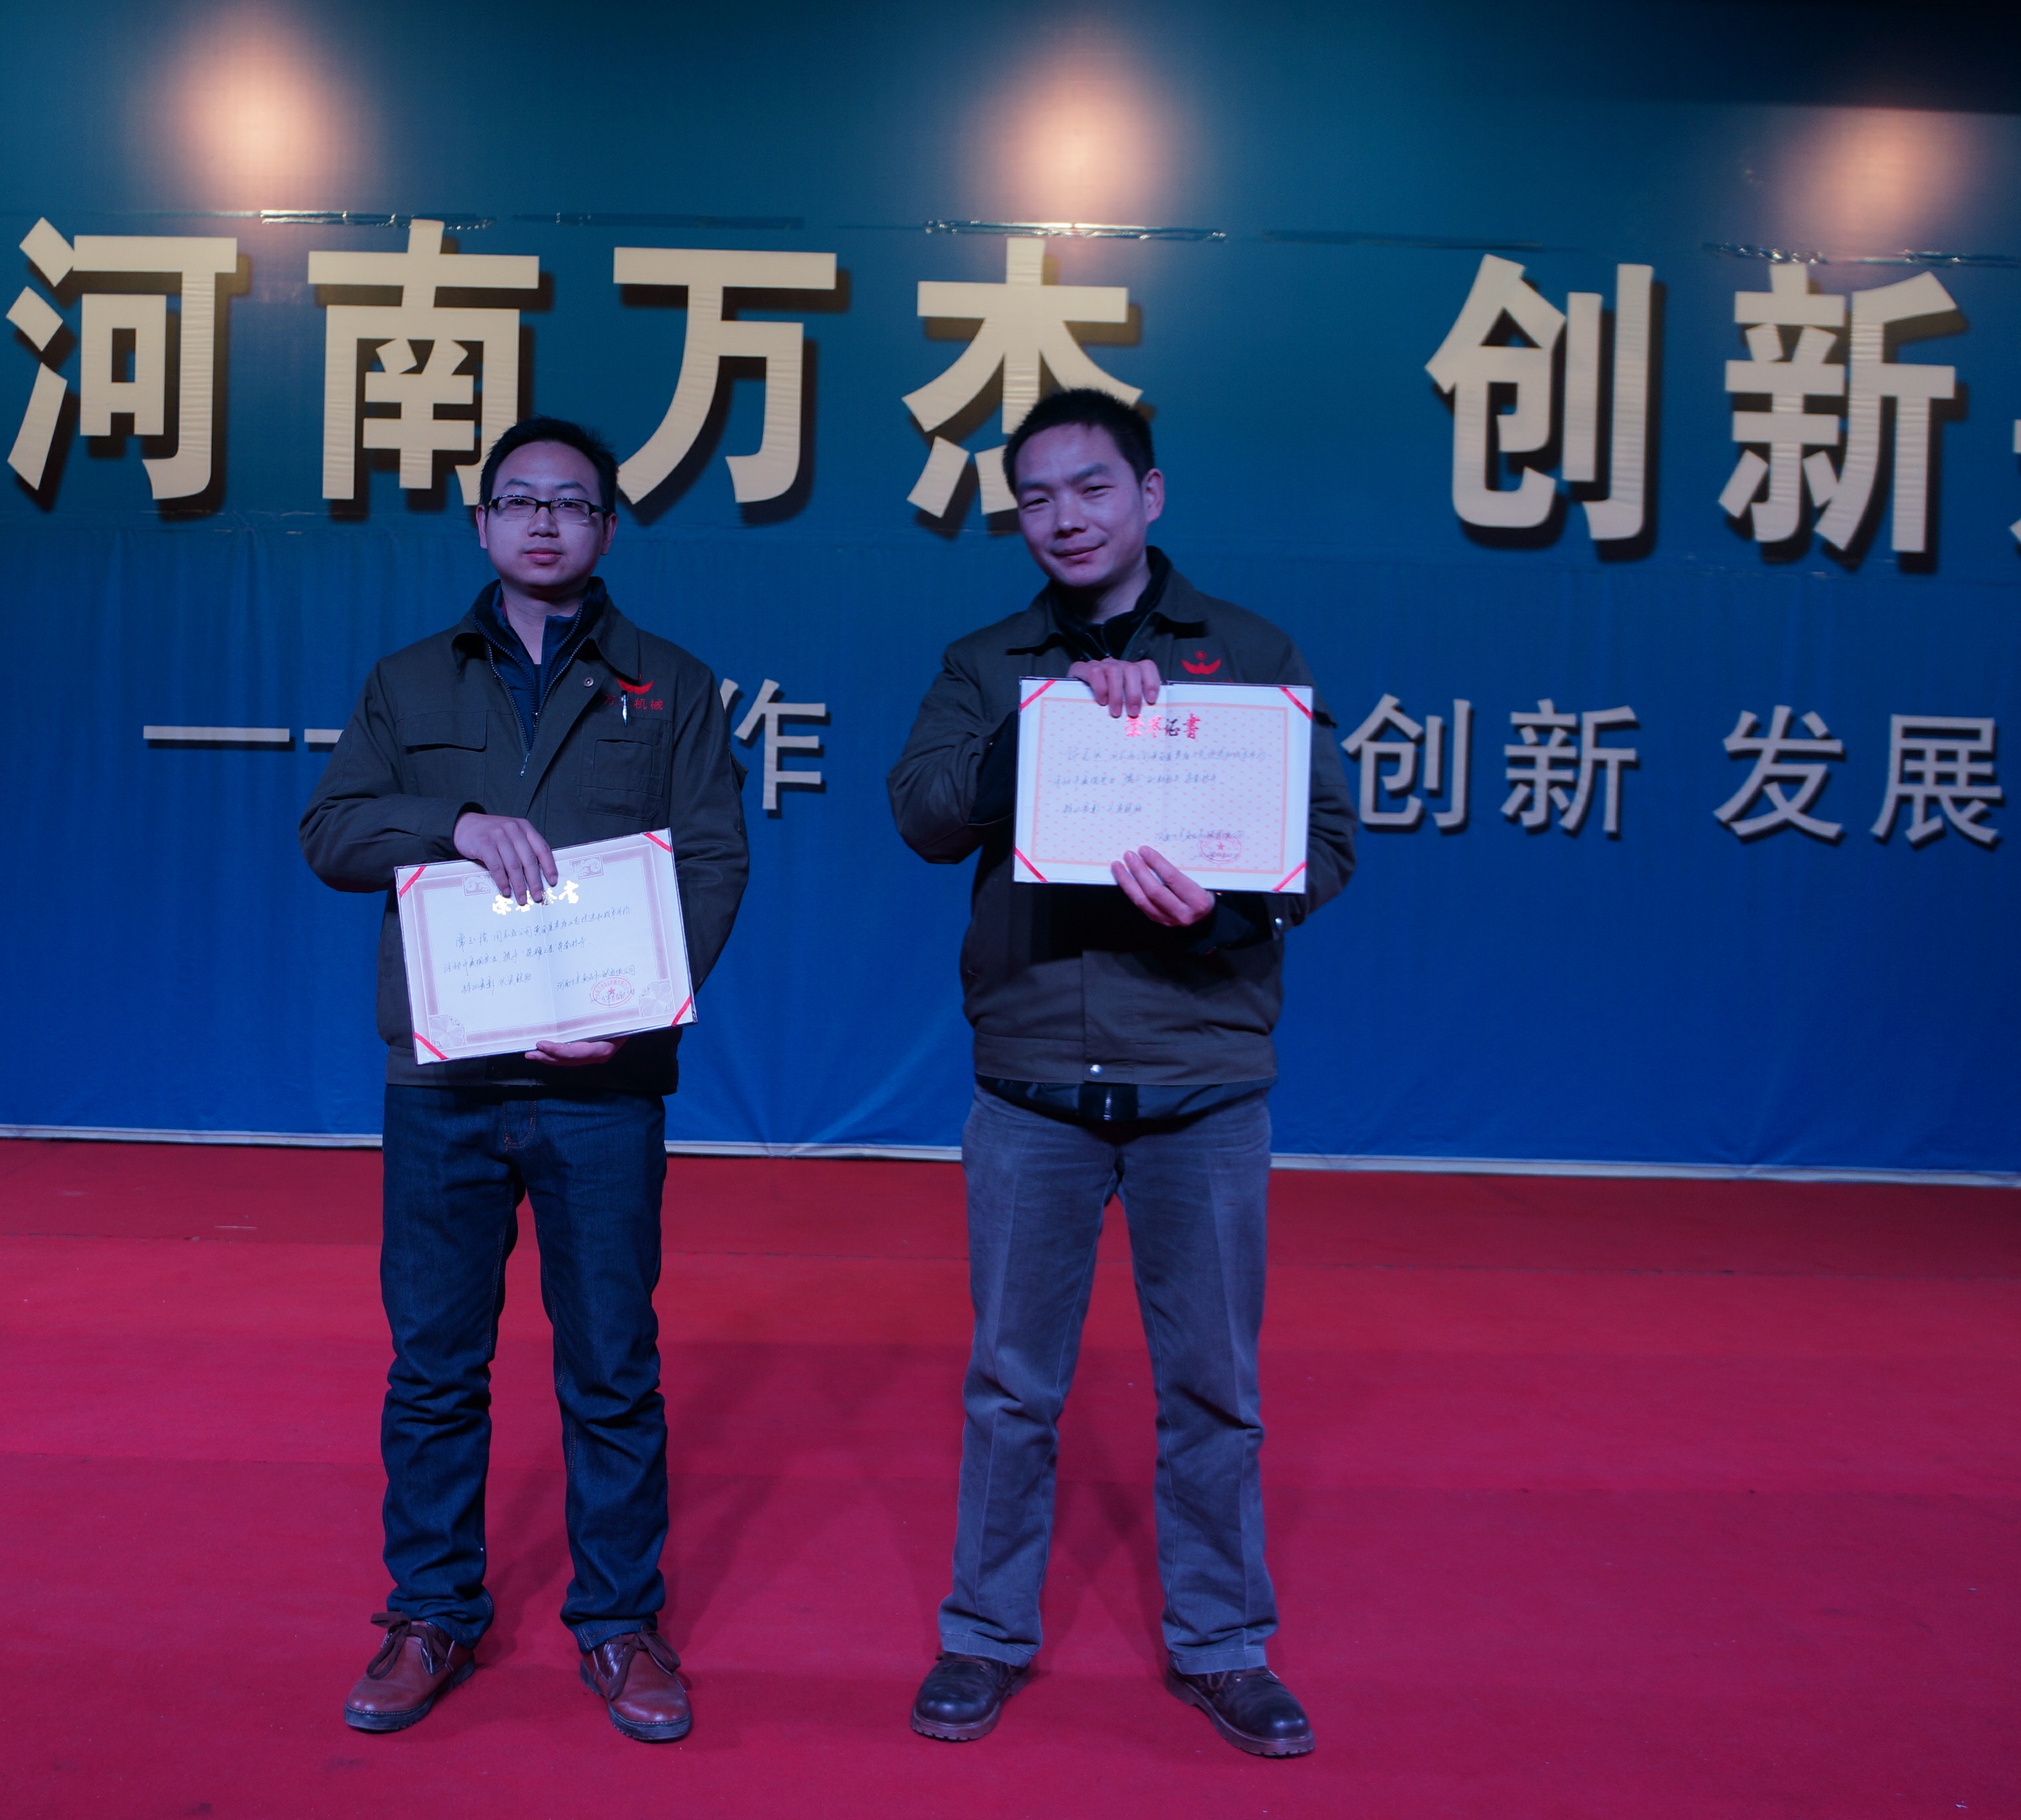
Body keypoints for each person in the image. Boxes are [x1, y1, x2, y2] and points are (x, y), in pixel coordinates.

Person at [887, 388, 1356, 1758]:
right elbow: (922, 813)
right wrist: (1042, 729)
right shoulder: (989, 663)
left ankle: (1223, 1643)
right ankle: (985, 1633)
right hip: (1032, 1081)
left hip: (1199, 1082)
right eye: (1035, 496)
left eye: (1091, 486)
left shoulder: (1247, 654)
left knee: (1213, 1388)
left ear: (1149, 496)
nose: (1064, 517)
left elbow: (1325, 844)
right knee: (1010, 1386)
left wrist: (1222, 912)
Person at [300, 416, 748, 1743]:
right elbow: (331, 831)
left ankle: (618, 1621)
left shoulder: (671, 682)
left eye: (572, 502)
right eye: (520, 500)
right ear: (482, 521)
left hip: (603, 1086)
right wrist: (448, 822)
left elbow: (713, 859)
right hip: (445, 1080)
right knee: (436, 1365)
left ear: (607, 527)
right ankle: (430, 1610)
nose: (545, 521)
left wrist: (637, 1010)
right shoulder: (408, 682)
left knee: (611, 1364)